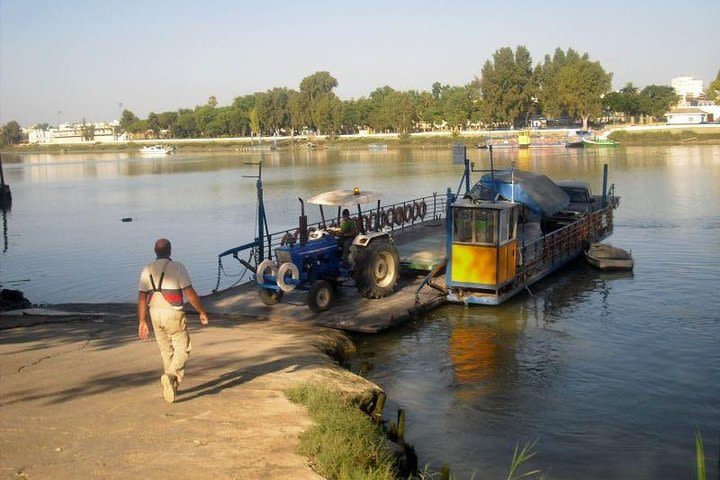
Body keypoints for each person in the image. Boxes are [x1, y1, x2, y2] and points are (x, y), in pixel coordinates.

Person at [138, 238, 209, 403]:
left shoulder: (146, 269)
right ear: (170, 251)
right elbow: (189, 293)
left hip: (154, 314)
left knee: (166, 351)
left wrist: (142, 321)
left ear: (155, 251)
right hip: (173, 313)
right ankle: (171, 375)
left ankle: (172, 386)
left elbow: (142, 298)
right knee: (183, 348)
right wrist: (201, 311)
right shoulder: (178, 267)